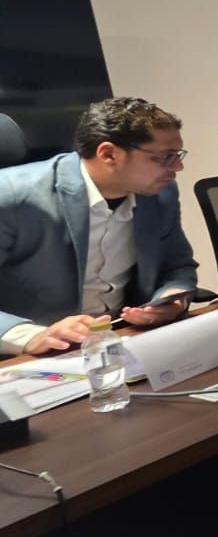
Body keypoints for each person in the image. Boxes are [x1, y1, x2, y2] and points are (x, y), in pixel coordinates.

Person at [0, 97, 198, 355]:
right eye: (165, 157)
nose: (178, 167)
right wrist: (29, 336)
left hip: (122, 341)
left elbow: (177, 266)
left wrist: (171, 301)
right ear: (109, 154)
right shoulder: (11, 196)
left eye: (178, 156)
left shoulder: (159, 194)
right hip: (32, 357)